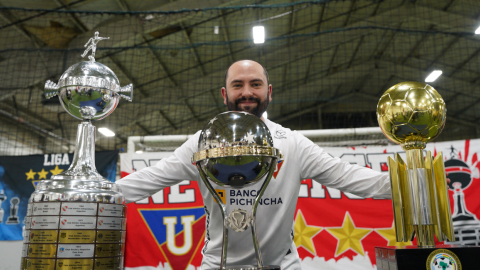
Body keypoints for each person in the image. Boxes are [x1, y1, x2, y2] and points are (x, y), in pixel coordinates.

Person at [116, 60, 391, 269]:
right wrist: (91, 195)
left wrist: (414, 179)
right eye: (238, 85)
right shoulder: (202, 142)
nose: (247, 92)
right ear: (225, 93)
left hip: (281, 265)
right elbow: (151, 178)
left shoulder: (292, 143)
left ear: (269, 91)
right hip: (217, 265)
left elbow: (352, 178)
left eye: (255, 84)